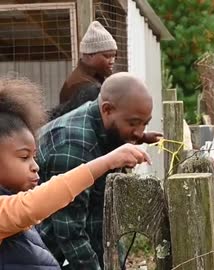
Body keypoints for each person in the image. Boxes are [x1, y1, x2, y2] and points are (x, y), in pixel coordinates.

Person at [0, 77, 151, 269]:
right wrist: (106, 162)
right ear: (106, 109)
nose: (35, 166)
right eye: (24, 157)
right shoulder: (72, 144)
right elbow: (38, 204)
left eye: (33, 156)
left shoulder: (15, 200)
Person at [37, 72, 162, 269]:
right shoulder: (73, 146)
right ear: (107, 109)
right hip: (52, 254)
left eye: (144, 123)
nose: (138, 131)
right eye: (133, 123)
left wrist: (140, 137)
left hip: (94, 235)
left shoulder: (103, 123)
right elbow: (70, 233)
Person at [59, 20, 117, 104]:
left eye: (114, 56)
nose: (112, 61)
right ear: (90, 55)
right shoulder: (84, 86)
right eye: (107, 56)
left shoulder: (91, 79)